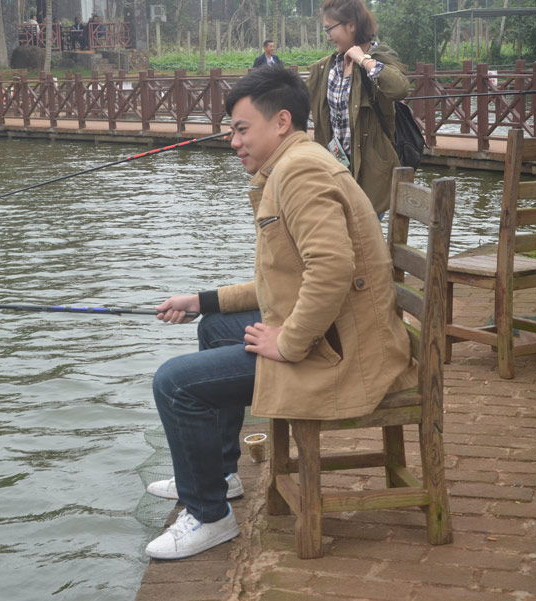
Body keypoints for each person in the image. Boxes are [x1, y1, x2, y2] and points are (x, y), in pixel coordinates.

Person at [143, 67, 416, 560]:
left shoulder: (300, 173)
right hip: (343, 334)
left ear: (282, 122)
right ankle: (218, 476)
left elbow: (331, 269)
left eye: (241, 129)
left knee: (174, 384)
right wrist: (202, 301)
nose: (233, 142)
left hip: (342, 355)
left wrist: (288, 344)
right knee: (215, 328)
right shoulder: (294, 164)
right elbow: (283, 282)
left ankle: (208, 516)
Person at [305, 0, 409, 215]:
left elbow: (399, 88)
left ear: (351, 25)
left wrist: (363, 60)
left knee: (364, 233)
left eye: (329, 29)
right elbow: (294, 98)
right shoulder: (328, 66)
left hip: (370, 174)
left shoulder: (380, 58)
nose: (328, 37)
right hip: (335, 173)